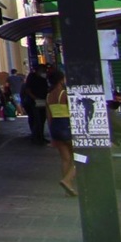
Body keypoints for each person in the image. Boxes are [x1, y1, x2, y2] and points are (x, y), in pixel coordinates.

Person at [47, 68, 76, 196]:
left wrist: (52, 135)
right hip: (67, 126)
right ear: (61, 80)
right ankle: (67, 180)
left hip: (55, 127)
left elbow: (49, 116)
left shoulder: (49, 96)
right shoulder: (64, 94)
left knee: (65, 159)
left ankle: (68, 190)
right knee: (81, 157)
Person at [23, 65, 50, 144]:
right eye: (43, 70)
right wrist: (35, 98)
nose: (44, 72)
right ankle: (36, 137)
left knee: (42, 119)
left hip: (42, 100)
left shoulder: (43, 79)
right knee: (37, 120)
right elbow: (28, 90)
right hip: (34, 101)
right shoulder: (32, 77)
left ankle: (40, 137)